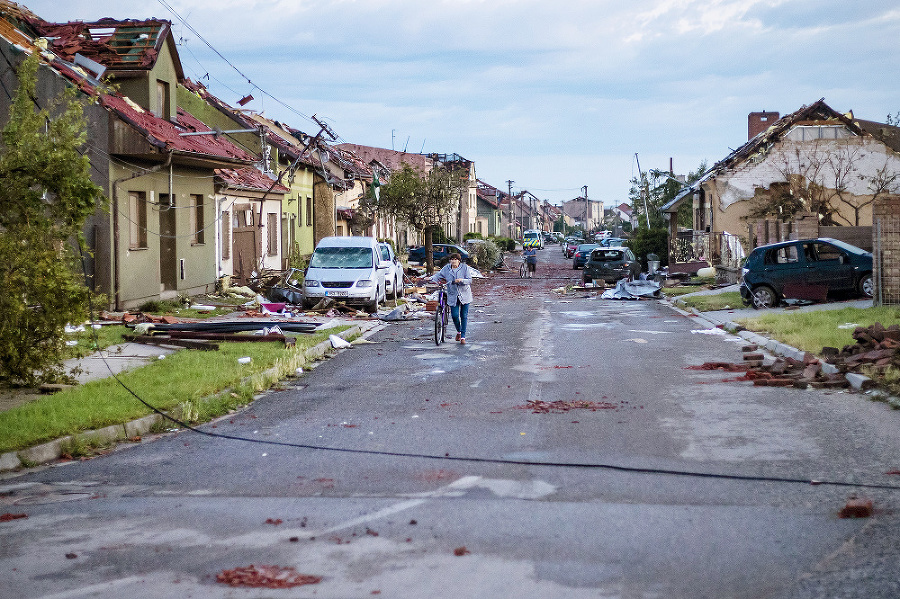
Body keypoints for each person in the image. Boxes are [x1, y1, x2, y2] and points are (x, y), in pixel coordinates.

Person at [429, 253, 474, 344]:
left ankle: (463, 337)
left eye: (455, 259)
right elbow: (439, 275)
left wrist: (461, 280)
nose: (453, 261)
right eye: (452, 259)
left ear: (459, 260)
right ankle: (459, 331)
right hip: (453, 294)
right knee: (454, 315)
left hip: (464, 294)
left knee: (464, 316)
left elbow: (469, 280)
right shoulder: (447, 268)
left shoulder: (464, 268)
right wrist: (430, 278)